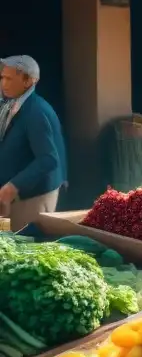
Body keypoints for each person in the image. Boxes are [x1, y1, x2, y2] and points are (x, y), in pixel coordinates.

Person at [0, 56, 67, 231]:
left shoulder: (36, 111)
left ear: (28, 81)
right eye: (2, 77)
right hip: (15, 196)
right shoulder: (12, 104)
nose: (4, 83)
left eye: (9, 79)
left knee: (25, 249)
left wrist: (13, 186)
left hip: (32, 198)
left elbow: (48, 159)